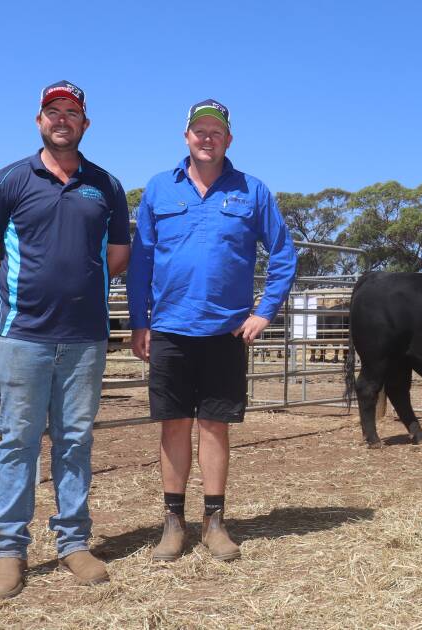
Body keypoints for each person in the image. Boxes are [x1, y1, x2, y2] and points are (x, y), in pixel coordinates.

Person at [0, 80, 130, 600]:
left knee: (75, 441)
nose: (62, 119)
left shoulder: (106, 186)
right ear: (39, 120)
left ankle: (73, 543)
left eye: (72, 112)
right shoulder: (10, 180)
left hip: (85, 339)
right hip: (24, 336)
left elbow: (118, 257)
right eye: (53, 111)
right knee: (18, 441)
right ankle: (9, 551)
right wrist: (19, 293)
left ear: (85, 124)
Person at [127, 99, 296, 563]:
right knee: (174, 424)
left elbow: (282, 254)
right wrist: (139, 321)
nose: (207, 137)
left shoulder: (252, 191)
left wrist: (264, 311)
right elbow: (140, 261)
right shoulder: (161, 189)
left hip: (226, 330)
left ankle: (215, 521)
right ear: (186, 137)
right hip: (169, 327)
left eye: (216, 131)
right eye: (199, 130)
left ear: (228, 139)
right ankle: (173, 522)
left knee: (215, 425)